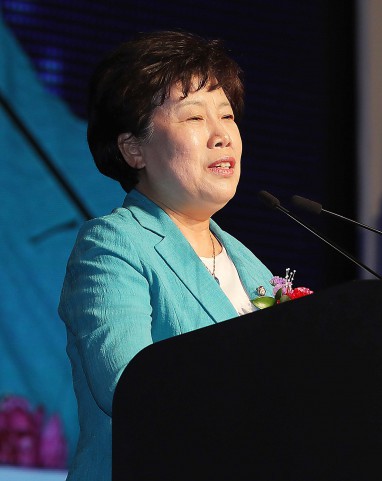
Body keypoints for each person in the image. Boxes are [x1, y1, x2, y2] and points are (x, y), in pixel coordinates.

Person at [58, 31, 272, 481]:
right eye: (194, 117)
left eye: (227, 115)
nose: (222, 136)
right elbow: (130, 387)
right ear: (134, 148)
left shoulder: (250, 265)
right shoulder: (114, 245)